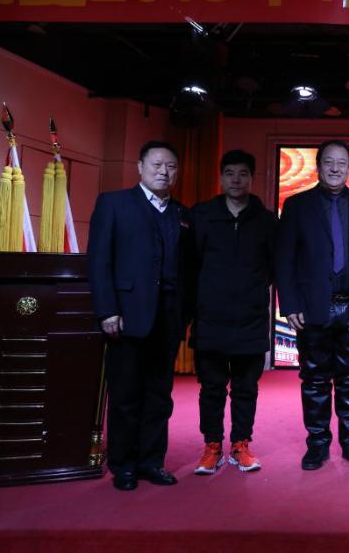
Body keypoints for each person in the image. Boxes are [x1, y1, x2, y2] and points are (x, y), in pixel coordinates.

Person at [88, 140, 192, 491]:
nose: (164, 172)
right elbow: (99, 261)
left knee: (159, 396)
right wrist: (107, 310)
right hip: (126, 317)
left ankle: (151, 461)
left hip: (168, 318)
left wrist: (184, 316)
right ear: (140, 167)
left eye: (171, 166)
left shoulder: (182, 213)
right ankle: (124, 465)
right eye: (157, 165)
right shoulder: (114, 204)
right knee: (126, 395)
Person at [275, 140, 349, 471]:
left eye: (341, 162)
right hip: (312, 309)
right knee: (315, 380)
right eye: (329, 162)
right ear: (318, 166)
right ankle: (317, 444)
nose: (335, 168)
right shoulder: (296, 205)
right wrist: (289, 303)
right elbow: (285, 259)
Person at [189, 149, 276, 475]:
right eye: (229, 173)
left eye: (242, 174)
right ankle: (212, 446)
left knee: (245, 389)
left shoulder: (267, 221)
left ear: (251, 178)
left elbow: (272, 267)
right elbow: (192, 263)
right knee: (211, 388)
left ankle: (241, 444)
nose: (236, 180)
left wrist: (250, 291)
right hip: (210, 319)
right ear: (221, 177)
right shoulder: (202, 216)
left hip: (250, 320)